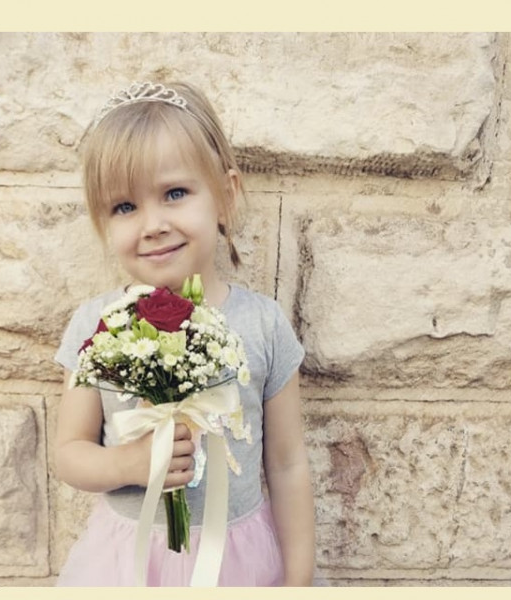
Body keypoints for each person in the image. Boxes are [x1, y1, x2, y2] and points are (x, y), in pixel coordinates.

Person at [54, 81, 315, 586]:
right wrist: (131, 463)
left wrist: (298, 582)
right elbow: (70, 453)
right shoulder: (96, 325)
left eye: (175, 193)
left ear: (225, 196)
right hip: (127, 566)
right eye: (124, 207)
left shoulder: (262, 324)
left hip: (238, 564)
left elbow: (286, 465)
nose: (152, 224)